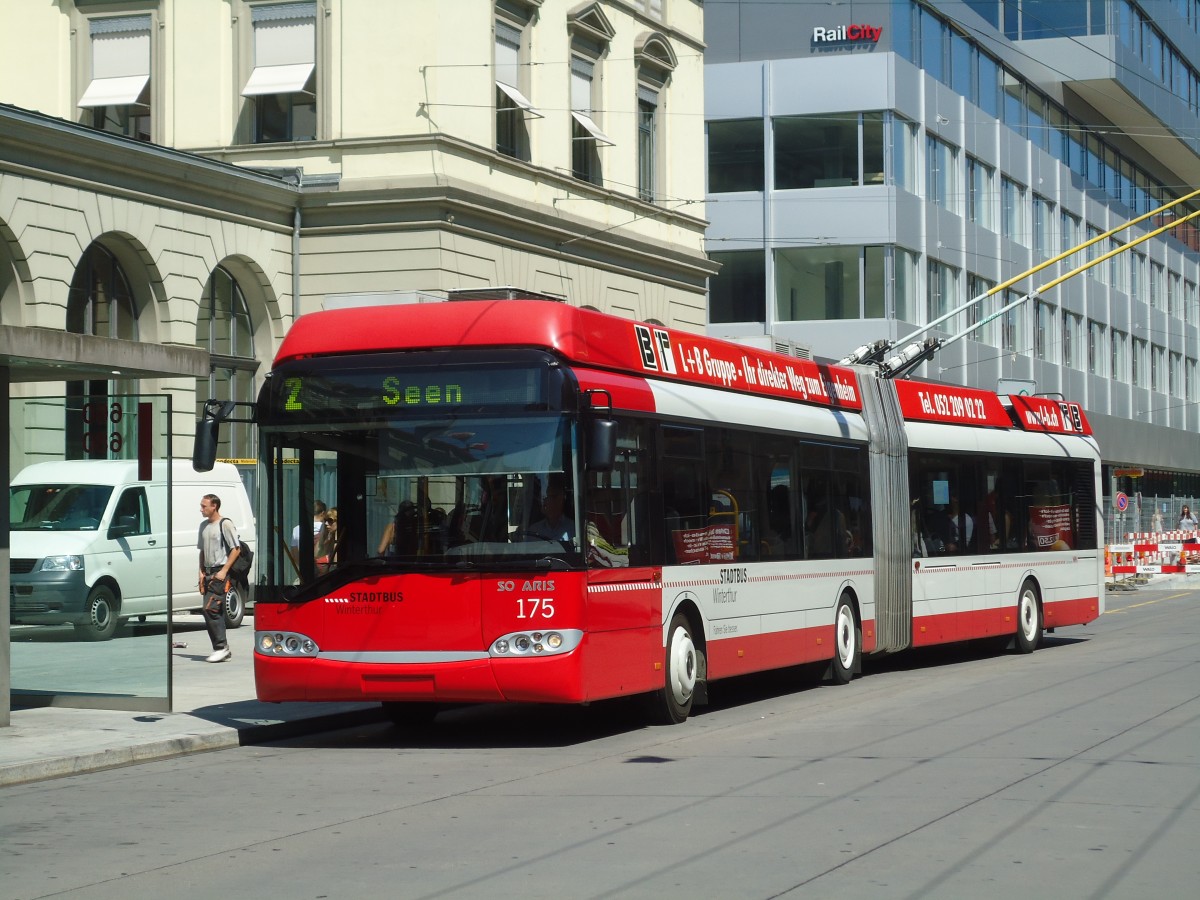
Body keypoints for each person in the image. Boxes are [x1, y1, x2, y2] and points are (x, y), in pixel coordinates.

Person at [197, 493, 240, 664]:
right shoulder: (203, 526)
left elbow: (235, 549)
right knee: (216, 610)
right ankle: (222, 649)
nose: (201, 509)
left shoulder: (225, 524)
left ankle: (221, 648)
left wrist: (224, 571)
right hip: (207, 572)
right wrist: (201, 572)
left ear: (214, 506)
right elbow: (202, 550)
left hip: (219, 572)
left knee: (210, 609)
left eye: (204, 506)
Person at [527, 474, 575, 543]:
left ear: (563, 499)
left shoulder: (573, 528)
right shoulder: (534, 530)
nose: (550, 501)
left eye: (554, 497)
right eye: (548, 497)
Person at [316, 507, 339, 573]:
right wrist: (323, 533)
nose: (326, 523)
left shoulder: (339, 539)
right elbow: (317, 554)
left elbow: (335, 563)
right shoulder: (329, 538)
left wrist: (336, 538)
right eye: (325, 520)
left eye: (330, 520)